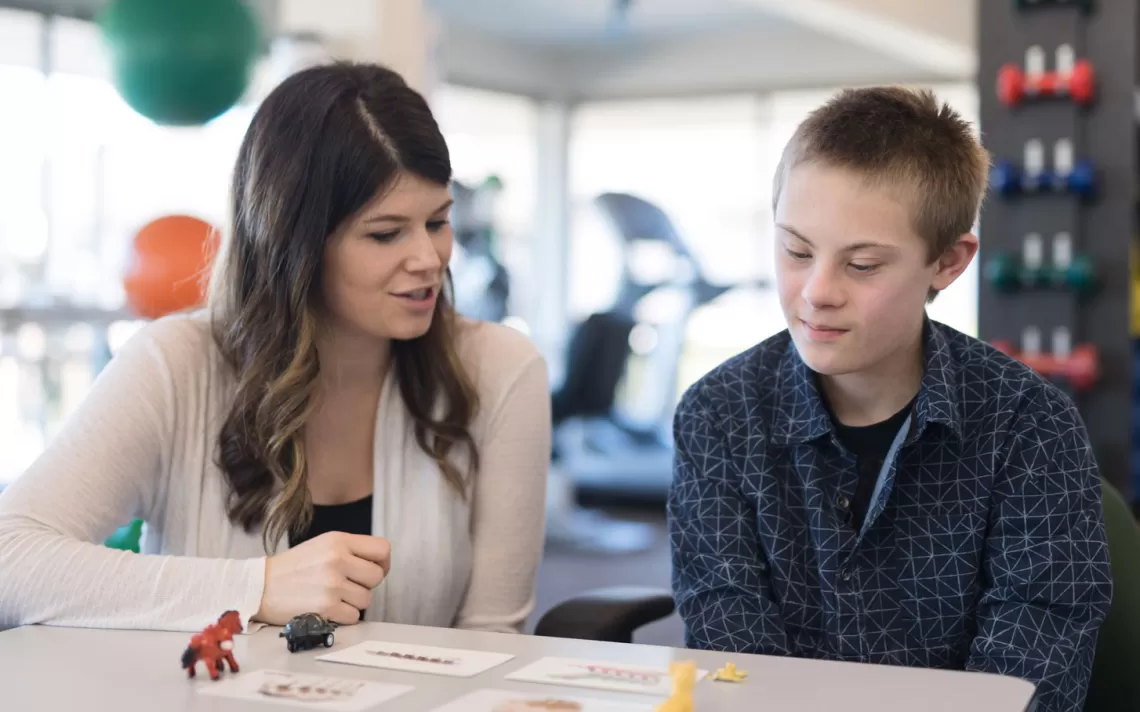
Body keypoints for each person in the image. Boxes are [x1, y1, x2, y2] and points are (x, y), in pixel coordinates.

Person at [0, 62, 551, 635]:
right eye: (386, 233)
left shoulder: (500, 370)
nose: (430, 258)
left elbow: (493, 642)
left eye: (437, 221)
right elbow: (9, 560)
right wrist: (256, 588)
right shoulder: (174, 364)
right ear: (295, 242)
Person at [667, 86, 1111, 712]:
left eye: (864, 265)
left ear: (948, 263)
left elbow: (1030, 667)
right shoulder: (718, 414)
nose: (817, 292)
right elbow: (728, 643)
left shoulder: (1028, 423)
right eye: (796, 250)